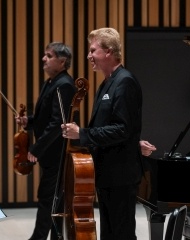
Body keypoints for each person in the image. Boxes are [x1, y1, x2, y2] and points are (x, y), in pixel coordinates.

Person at [61, 27, 144, 240]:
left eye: (93, 50)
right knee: (109, 234)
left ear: (108, 52)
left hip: (120, 174)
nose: (89, 55)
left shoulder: (125, 81)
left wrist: (82, 133)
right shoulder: (106, 84)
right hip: (107, 174)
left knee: (121, 234)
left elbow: (122, 129)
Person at [16, 42, 76, 240]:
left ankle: (38, 238)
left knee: (48, 200)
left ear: (62, 61)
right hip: (50, 155)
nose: (44, 58)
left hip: (57, 154)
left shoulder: (65, 84)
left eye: (49, 56)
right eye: (45, 55)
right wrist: (29, 121)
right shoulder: (51, 82)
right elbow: (45, 117)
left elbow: (58, 122)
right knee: (52, 201)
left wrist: (37, 148)